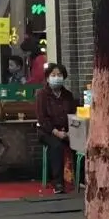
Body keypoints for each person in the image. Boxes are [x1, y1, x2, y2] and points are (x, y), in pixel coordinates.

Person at [36, 62, 77, 195]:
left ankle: (80, 178)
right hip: (47, 131)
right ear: (48, 78)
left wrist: (70, 132)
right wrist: (56, 132)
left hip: (66, 131)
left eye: (59, 75)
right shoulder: (42, 94)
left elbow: (73, 114)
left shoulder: (68, 95)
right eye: (53, 75)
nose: (56, 77)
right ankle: (58, 182)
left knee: (80, 144)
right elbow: (42, 119)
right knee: (57, 146)